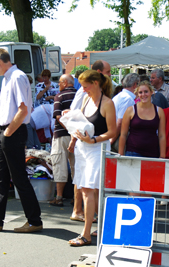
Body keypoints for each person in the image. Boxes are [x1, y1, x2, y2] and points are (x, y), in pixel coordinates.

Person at [0, 48, 42, 233]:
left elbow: (23, 109)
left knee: (18, 177)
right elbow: (10, 110)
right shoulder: (9, 77)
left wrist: (8, 132)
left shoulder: (17, 77)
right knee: (0, 178)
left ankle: (34, 220)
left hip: (13, 131)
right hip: (8, 131)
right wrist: (1, 132)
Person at [68, 70, 116, 246]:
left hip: (97, 150)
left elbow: (113, 131)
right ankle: (103, 225)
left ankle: (86, 234)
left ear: (95, 83)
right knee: (88, 190)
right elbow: (80, 122)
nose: (83, 89)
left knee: (88, 190)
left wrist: (93, 139)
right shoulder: (86, 99)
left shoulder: (107, 103)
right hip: (83, 149)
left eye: (85, 85)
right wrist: (74, 138)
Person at [118, 80, 166, 158]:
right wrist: (120, 154)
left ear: (151, 92)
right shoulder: (130, 110)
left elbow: (162, 135)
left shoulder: (159, 111)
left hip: (153, 153)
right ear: (137, 94)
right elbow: (123, 134)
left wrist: (162, 155)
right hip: (133, 152)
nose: (143, 95)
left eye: (146, 91)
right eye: (140, 92)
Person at [49, 74, 76, 207]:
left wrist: (68, 129)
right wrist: (74, 132)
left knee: (59, 165)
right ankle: (76, 198)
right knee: (76, 167)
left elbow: (58, 116)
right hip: (78, 136)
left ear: (65, 83)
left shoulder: (59, 96)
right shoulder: (80, 95)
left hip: (61, 135)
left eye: (59, 82)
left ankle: (59, 197)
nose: (58, 85)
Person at [111, 73, 139, 152]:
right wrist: (112, 141)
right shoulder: (128, 99)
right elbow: (120, 122)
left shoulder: (120, 96)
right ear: (135, 85)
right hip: (118, 137)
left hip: (115, 135)